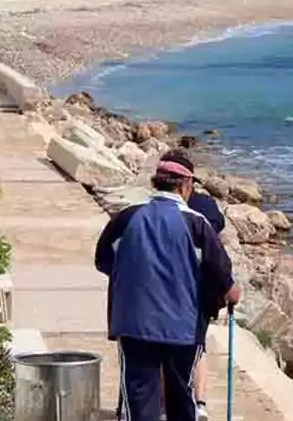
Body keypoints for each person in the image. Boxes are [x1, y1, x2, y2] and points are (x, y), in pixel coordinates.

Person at [95, 157, 240, 421]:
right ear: (184, 186)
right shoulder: (197, 223)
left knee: (139, 397)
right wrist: (230, 293)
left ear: (156, 183)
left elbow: (104, 260)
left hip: (134, 322)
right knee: (181, 395)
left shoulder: (127, 216)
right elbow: (222, 277)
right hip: (182, 327)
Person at [156, 149, 224, 420]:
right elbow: (217, 233)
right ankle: (200, 403)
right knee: (198, 346)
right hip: (201, 290)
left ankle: (165, 406)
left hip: (168, 288)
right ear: (188, 181)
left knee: (164, 350)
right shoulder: (205, 207)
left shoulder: (158, 208)